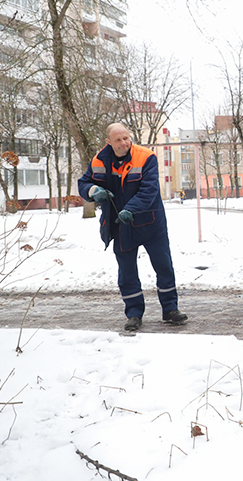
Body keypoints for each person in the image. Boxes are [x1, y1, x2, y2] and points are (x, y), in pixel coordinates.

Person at [78, 123, 188, 332]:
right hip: (121, 225)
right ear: (108, 142)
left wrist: (131, 209)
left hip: (151, 223)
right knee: (127, 272)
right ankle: (134, 313)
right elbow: (83, 183)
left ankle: (170, 309)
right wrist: (93, 190)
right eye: (118, 140)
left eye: (126, 138)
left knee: (164, 266)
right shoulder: (100, 160)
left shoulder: (146, 157)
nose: (124, 143)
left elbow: (149, 190)